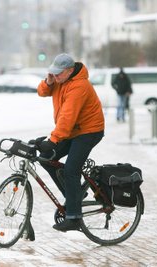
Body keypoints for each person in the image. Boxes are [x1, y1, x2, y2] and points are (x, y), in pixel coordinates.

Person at [36, 53, 105, 232]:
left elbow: (67, 117)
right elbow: (42, 92)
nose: (56, 76)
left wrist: (53, 140)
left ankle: (74, 217)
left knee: (71, 170)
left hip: (89, 131)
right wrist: (49, 81)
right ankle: (74, 195)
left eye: (59, 74)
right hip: (72, 130)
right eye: (54, 73)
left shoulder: (79, 86)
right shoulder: (59, 81)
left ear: (69, 70)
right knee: (45, 158)